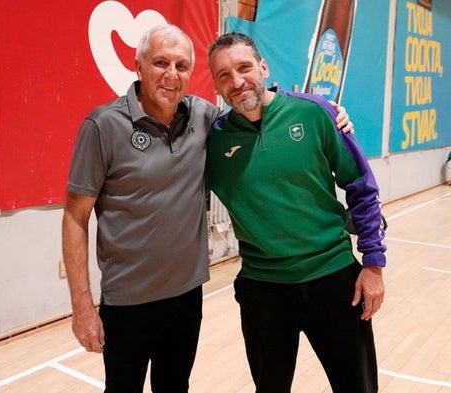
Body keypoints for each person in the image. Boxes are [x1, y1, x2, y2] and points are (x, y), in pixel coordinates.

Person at [62, 25, 352, 393]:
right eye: (160, 63)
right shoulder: (102, 126)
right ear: (138, 66)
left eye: (182, 66)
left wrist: (330, 111)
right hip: (127, 302)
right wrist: (82, 307)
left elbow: (257, 104)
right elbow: (75, 217)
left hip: (186, 296)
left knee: (175, 387)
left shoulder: (205, 118)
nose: (171, 75)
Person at [205, 32, 386, 393]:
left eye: (243, 67)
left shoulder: (316, 113)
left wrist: (373, 264)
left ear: (263, 67)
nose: (237, 81)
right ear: (216, 85)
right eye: (223, 75)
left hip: (335, 281)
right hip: (264, 292)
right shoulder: (213, 141)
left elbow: (361, 188)